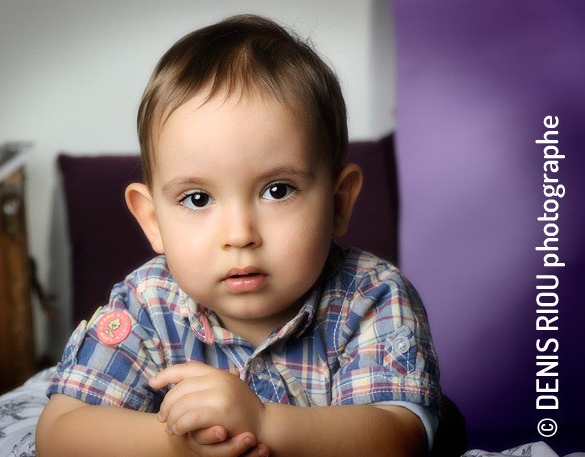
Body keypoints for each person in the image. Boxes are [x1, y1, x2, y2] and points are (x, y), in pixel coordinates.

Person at [36, 14, 442, 457]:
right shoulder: (147, 304)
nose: (239, 235)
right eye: (197, 199)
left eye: (277, 190)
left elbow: (400, 438)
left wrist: (263, 423)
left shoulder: (370, 296)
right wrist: (181, 448)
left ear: (339, 201)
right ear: (152, 221)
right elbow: (60, 434)